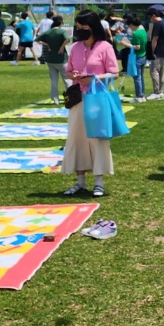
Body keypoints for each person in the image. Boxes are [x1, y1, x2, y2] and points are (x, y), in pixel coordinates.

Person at [62, 11, 118, 197]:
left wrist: (93, 78)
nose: (79, 31)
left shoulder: (105, 47)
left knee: (97, 139)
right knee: (77, 138)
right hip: (77, 99)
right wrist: (75, 76)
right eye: (77, 28)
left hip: (97, 99)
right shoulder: (76, 47)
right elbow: (68, 71)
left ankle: (99, 182)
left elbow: (114, 73)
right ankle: (80, 181)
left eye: (82, 28)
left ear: (92, 27)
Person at [38, 14, 70, 104]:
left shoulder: (48, 32)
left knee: (54, 81)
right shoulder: (62, 32)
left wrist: (47, 45)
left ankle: (55, 99)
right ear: (61, 22)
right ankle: (70, 98)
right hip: (62, 59)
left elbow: (38, 39)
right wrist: (62, 47)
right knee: (67, 80)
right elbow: (67, 39)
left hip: (50, 59)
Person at [146, 8, 164, 100]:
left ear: (154, 16)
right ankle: (161, 91)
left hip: (157, 51)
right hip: (163, 50)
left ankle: (156, 91)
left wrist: (152, 50)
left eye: (149, 17)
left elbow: (154, 39)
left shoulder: (157, 25)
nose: (149, 19)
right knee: (161, 72)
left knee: (154, 71)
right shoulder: (163, 24)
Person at [126, 14, 148, 100]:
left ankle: (139, 95)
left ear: (132, 24)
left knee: (137, 77)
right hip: (143, 56)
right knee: (141, 76)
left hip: (138, 57)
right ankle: (142, 94)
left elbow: (137, 46)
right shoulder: (143, 31)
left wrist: (127, 44)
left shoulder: (136, 34)